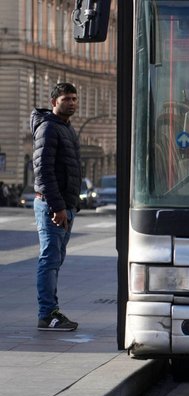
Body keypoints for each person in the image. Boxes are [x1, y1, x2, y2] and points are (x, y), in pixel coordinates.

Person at [32, 82, 82, 331]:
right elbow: (44, 171)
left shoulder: (66, 128)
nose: (71, 103)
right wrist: (58, 207)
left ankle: (51, 311)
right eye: (66, 99)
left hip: (65, 206)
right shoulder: (49, 128)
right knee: (49, 259)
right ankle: (47, 315)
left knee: (56, 259)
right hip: (53, 207)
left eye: (74, 99)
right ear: (54, 102)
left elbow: (69, 170)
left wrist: (74, 203)